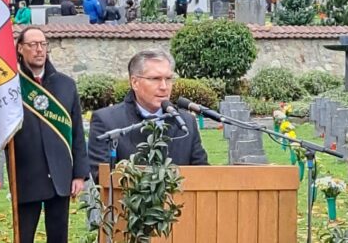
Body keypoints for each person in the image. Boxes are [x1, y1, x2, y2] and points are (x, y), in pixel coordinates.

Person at [13, 26, 89, 243]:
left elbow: (77, 131)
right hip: (26, 176)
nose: (39, 50)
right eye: (32, 45)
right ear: (20, 49)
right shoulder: (10, 86)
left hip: (60, 176)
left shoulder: (66, 85)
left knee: (58, 238)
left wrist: (79, 174)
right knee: (23, 237)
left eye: (43, 44)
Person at [87, 49, 208, 181]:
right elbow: (102, 178)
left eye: (168, 79)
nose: (164, 86)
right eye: (155, 79)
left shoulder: (186, 122)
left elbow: (203, 175)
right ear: (134, 83)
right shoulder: (107, 121)